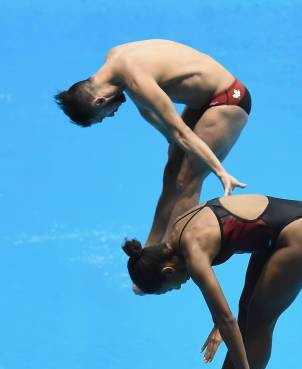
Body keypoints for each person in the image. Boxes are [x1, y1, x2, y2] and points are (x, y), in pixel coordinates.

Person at [122, 193, 302, 369]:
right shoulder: (177, 231)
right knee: (246, 308)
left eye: (172, 287)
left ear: (168, 270)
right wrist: (218, 323)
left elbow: (226, 320)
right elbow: (225, 315)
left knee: (260, 320)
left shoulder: (194, 254)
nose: (178, 288)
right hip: (282, 226)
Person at [55, 39, 251, 245]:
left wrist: (220, 172)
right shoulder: (114, 63)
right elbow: (147, 110)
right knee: (171, 176)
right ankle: (150, 253)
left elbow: (181, 134)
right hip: (201, 101)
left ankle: (172, 259)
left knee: (187, 180)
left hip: (228, 98)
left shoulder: (135, 79)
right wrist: (170, 140)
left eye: (104, 116)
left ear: (99, 102)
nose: (112, 116)